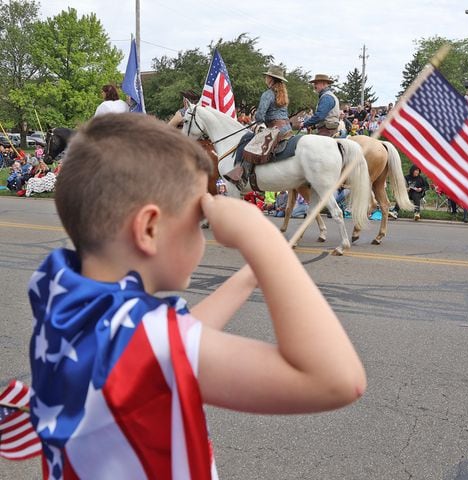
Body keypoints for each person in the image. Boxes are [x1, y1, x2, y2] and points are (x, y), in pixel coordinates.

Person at [28, 113, 366, 476]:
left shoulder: (63, 297)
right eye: (197, 219)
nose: (204, 232)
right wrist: (265, 242)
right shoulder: (150, 343)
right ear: (150, 228)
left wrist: (246, 278)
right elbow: (337, 380)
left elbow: (168, 340)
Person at [254, 65, 292, 136]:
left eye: (267, 76)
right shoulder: (283, 95)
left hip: (274, 130)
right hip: (287, 128)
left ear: (270, 78)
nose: (265, 78)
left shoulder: (268, 94)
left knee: (251, 145)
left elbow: (260, 115)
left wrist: (258, 122)